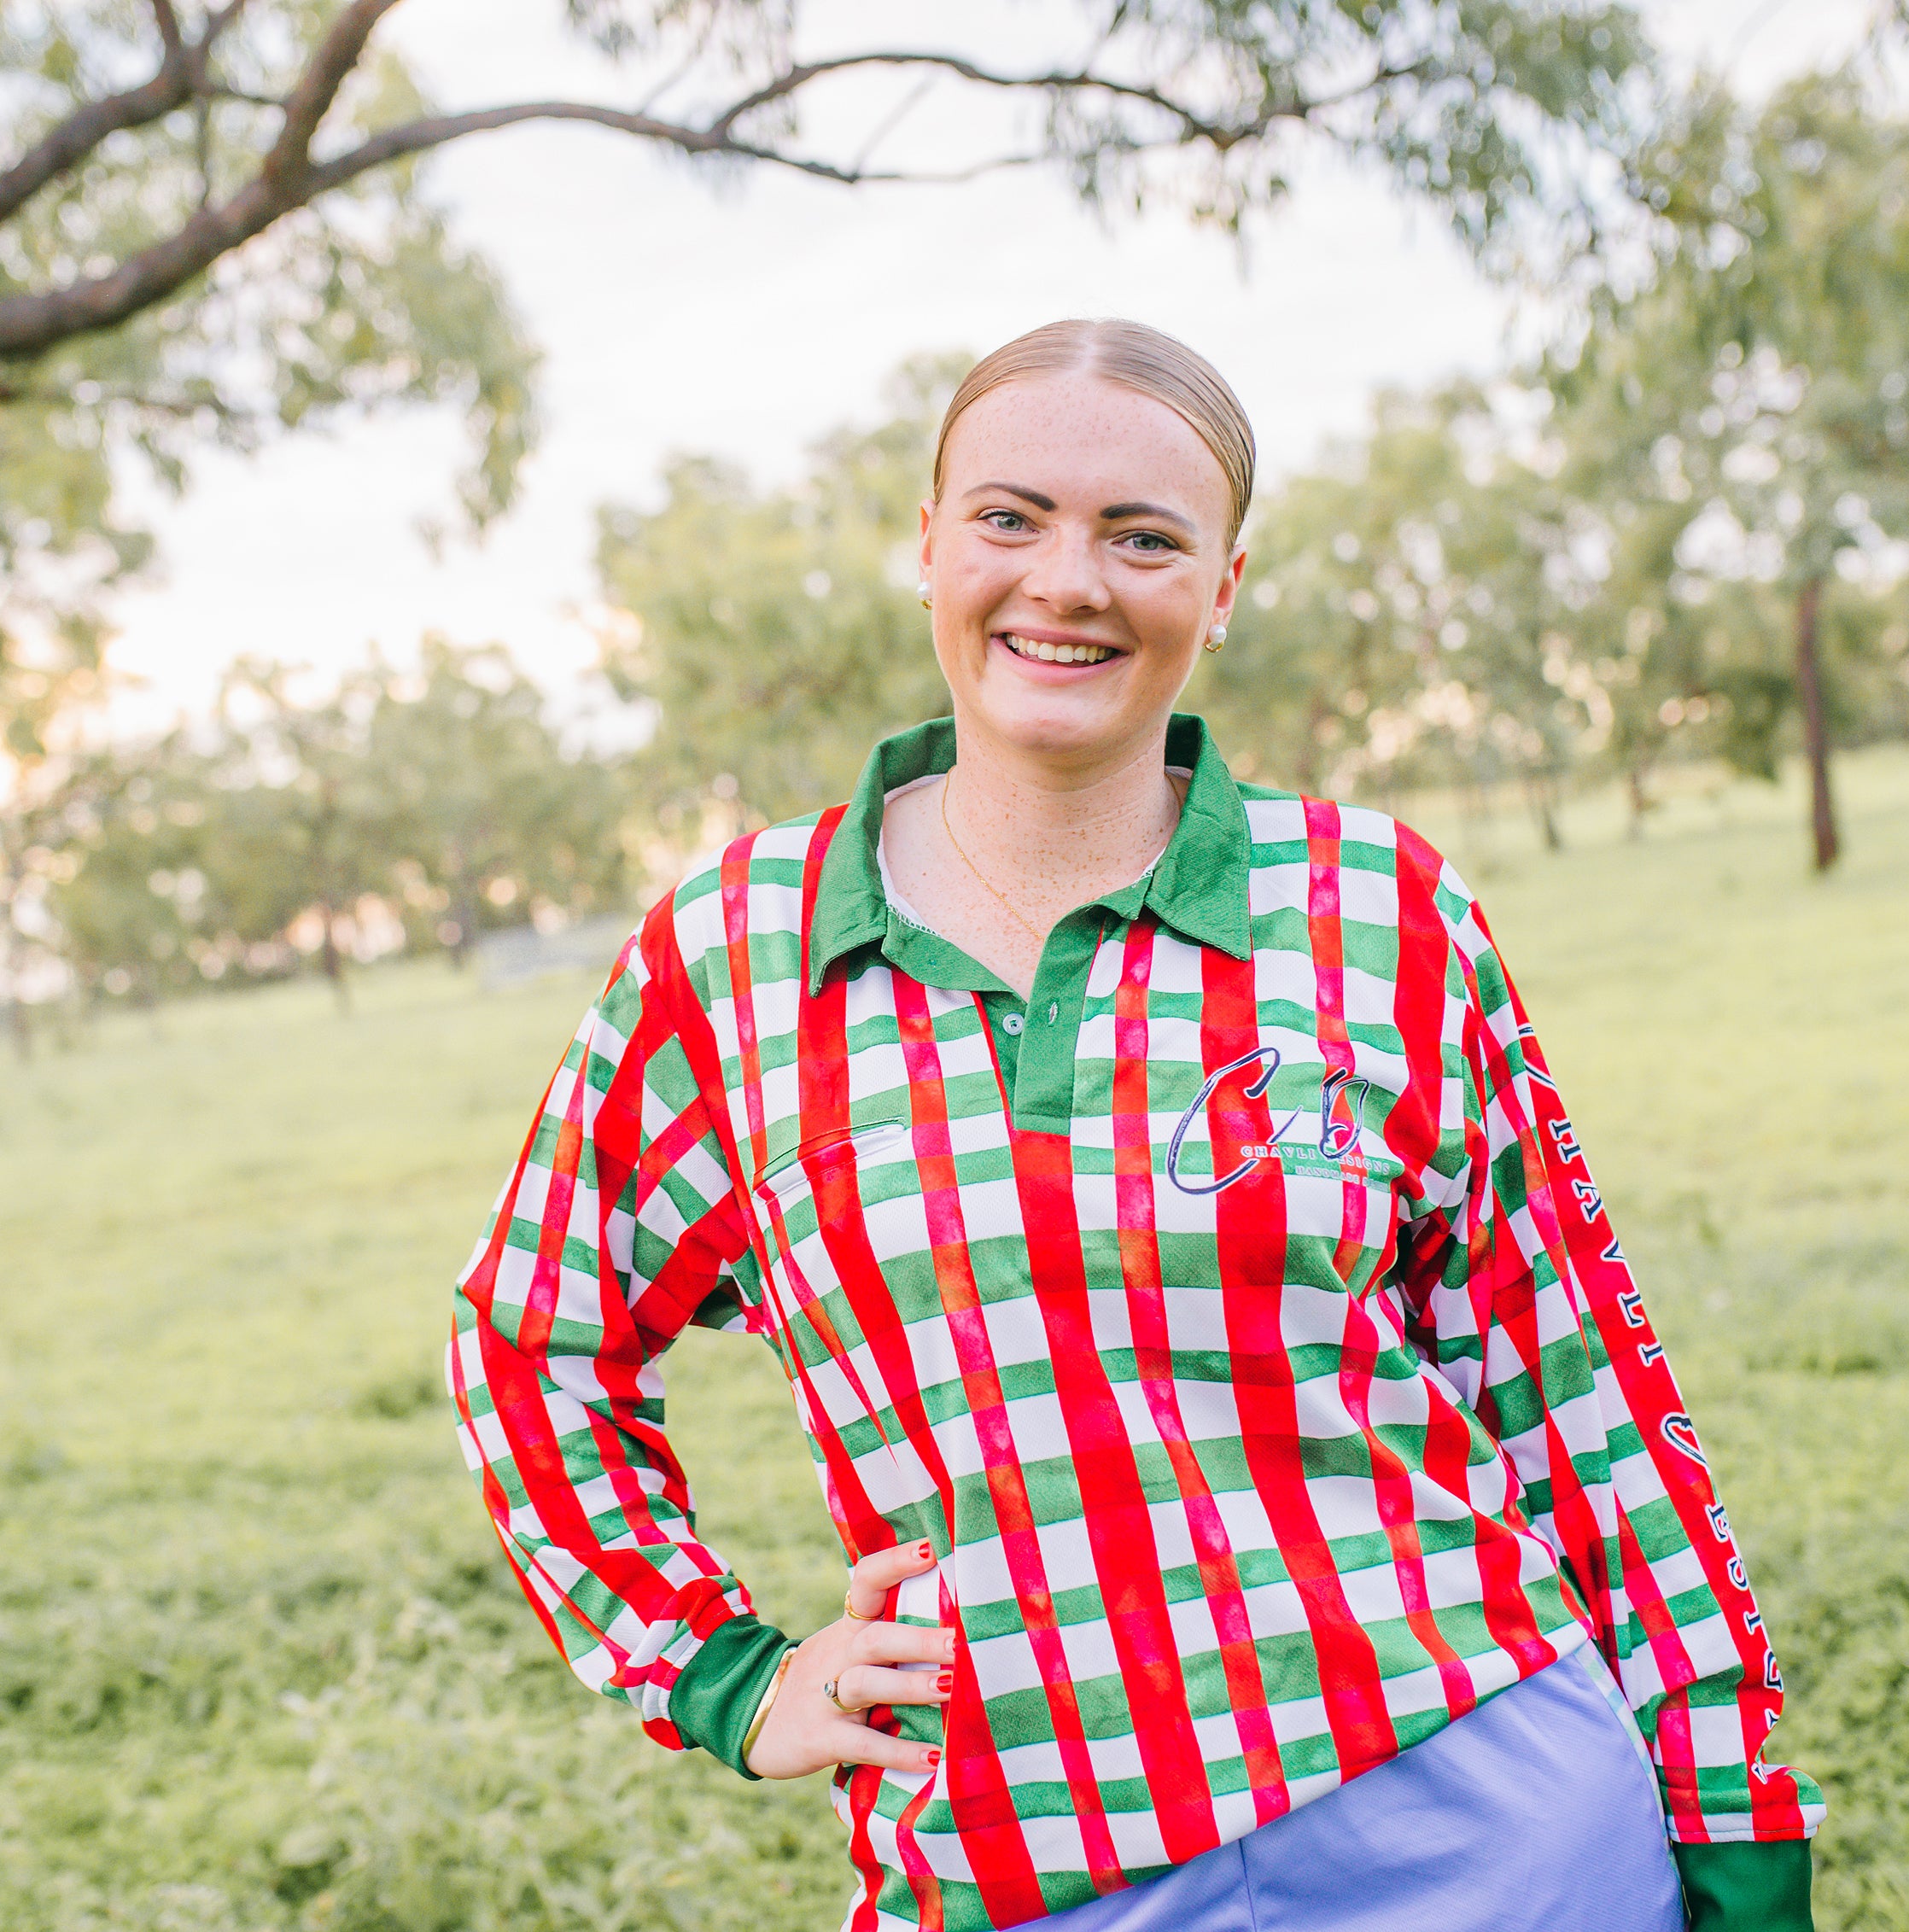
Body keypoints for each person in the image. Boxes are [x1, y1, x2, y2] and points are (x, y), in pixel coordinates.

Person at [449, 318, 1821, 1931]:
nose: (1069, 582)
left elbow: (1584, 1404)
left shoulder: (1378, 911)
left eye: (1144, 537)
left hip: (1485, 1807)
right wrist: (725, 1673)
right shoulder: (735, 953)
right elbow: (530, 1341)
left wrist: (1737, 1831)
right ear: (930, 544)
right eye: (1011, 518)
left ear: (1222, 589)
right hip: (1021, 1859)